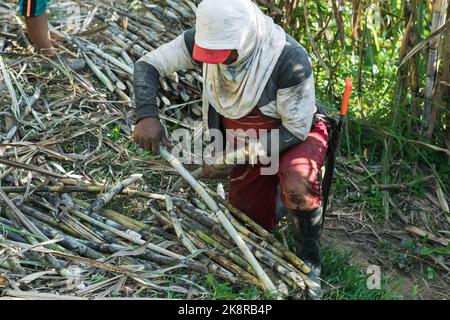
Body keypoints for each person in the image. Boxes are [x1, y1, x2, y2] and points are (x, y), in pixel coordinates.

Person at [133, 0, 329, 299]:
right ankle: (275, 197)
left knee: (297, 184)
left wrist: (233, 158)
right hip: (245, 140)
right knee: (249, 222)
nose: (219, 61)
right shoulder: (205, 37)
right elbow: (148, 64)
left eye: (226, 54)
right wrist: (146, 114)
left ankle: (309, 260)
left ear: (246, 38)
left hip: (292, 134)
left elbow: (296, 129)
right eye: (211, 55)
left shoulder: (287, 60)